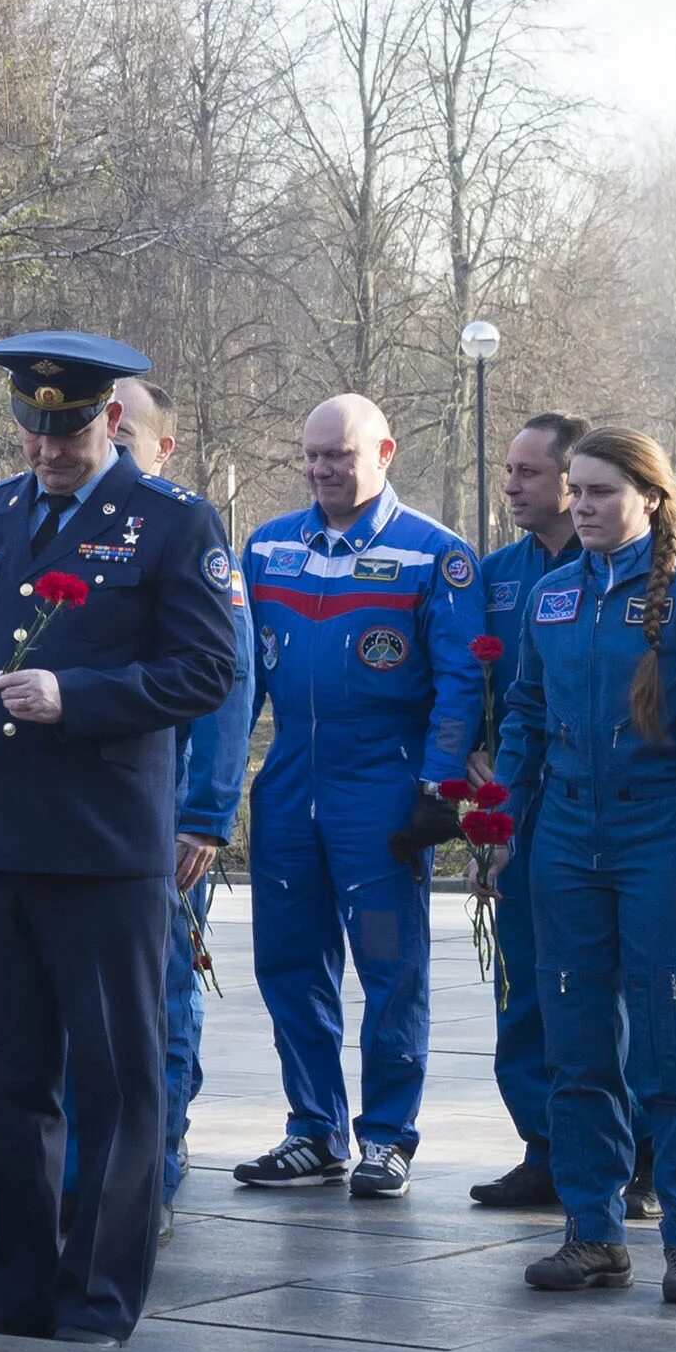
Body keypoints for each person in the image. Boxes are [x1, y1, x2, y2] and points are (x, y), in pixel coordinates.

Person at [0, 333, 240, 1342]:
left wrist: (80, 696)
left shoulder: (170, 522)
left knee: (114, 1079)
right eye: (33, 428)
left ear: (109, 417)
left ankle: (97, 1293)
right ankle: (14, 1285)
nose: (47, 448)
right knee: (6, 1080)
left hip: (105, 845)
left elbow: (207, 670)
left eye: (67, 429)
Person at [496, 428, 676, 1304]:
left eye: (601, 492)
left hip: (664, 841)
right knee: (574, 1045)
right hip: (566, 844)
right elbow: (524, 724)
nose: (580, 506)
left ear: (649, 497)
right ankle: (591, 1231)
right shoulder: (549, 597)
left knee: (673, 1046)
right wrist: (502, 831)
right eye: (574, 491)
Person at [235, 394, 486, 1199]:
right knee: (287, 965)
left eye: (339, 455)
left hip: (380, 797)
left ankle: (386, 1138)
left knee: (390, 969)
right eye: (311, 455)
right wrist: (214, 786)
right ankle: (314, 1130)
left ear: (385, 451)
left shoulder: (434, 555)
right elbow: (240, 681)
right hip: (287, 792)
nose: (322, 470)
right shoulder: (268, 547)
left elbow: (462, 678)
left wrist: (439, 786)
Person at [105, 376, 254, 1224]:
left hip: (165, 812)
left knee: (159, 991)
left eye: (126, 442)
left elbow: (227, 683)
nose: (107, 452)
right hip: (84, 811)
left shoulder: (184, 529)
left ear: (165, 448)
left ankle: (154, 1166)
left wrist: (205, 812)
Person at [466, 413, 598, 1211]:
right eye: (508, 470)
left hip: (594, 796)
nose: (511, 485)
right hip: (516, 795)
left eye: (529, 473)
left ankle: (627, 1150)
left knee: (598, 985)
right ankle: (544, 1147)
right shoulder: (497, 575)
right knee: (520, 979)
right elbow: (468, 676)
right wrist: (473, 758)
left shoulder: (626, 570)